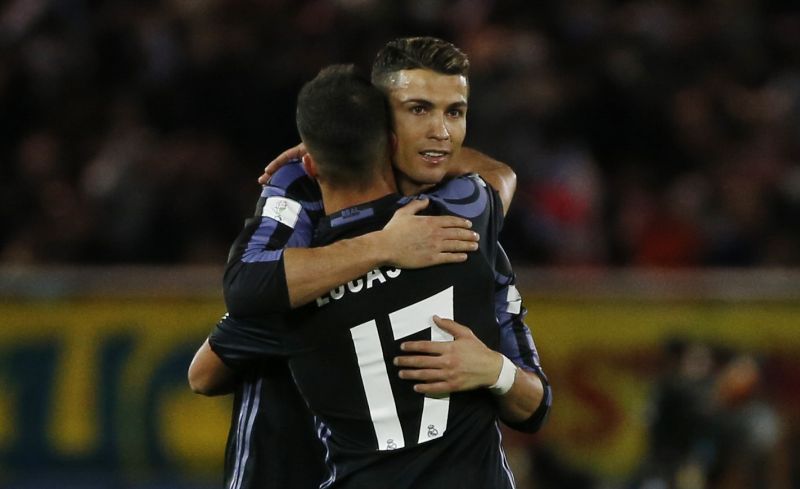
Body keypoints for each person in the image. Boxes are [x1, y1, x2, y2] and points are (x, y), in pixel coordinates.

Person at [189, 37, 551, 489]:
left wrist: (496, 371)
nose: (440, 131)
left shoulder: (459, 235)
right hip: (287, 459)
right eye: (419, 109)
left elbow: (207, 365)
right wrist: (383, 245)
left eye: (454, 112)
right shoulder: (465, 226)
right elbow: (500, 177)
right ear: (380, 120)